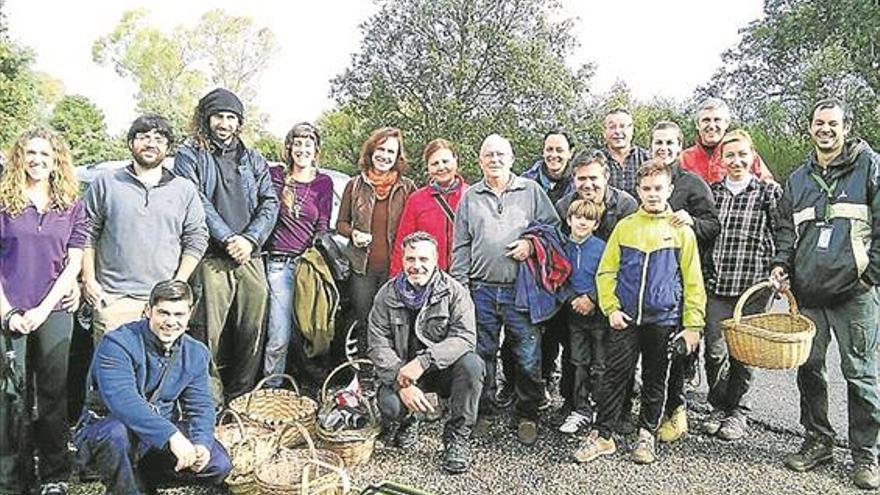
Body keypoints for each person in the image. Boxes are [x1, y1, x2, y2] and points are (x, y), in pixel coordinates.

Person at [771, 98, 880, 490]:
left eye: (833, 123)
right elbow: (786, 229)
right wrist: (781, 264)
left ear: (846, 127)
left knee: (861, 376)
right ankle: (817, 441)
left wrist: (871, 277)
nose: (826, 129)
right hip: (809, 293)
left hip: (855, 293)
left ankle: (866, 454)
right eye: (819, 123)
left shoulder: (870, 166)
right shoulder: (798, 179)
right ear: (810, 127)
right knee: (810, 369)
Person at [574, 158, 705, 465]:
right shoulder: (625, 227)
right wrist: (611, 308)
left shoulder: (681, 231)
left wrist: (693, 326)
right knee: (613, 376)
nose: (653, 194)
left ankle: (646, 433)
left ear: (669, 189)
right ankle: (603, 435)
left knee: (655, 378)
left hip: (664, 319)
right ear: (638, 190)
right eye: (646, 188)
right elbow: (606, 273)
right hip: (626, 319)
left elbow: (693, 281)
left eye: (659, 188)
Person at [450, 134, 559, 445]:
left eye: (500, 154)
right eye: (488, 155)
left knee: (527, 355)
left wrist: (529, 244)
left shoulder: (531, 191)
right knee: (481, 354)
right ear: (480, 161)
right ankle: (483, 411)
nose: (494, 159)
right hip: (481, 290)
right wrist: (461, 289)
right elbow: (461, 245)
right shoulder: (470, 197)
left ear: (511, 159)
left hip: (520, 289)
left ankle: (527, 414)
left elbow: (552, 230)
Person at [74, 280, 231, 495]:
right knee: (116, 434)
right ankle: (124, 486)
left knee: (218, 463)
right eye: (163, 313)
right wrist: (172, 436)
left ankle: (142, 476)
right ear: (148, 311)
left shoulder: (196, 352)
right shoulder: (116, 343)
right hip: (108, 430)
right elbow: (123, 401)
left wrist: (201, 442)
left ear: (190, 314)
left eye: (179, 315)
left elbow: (201, 406)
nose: (171, 322)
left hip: (154, 437)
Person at [173, 87, 279, 404]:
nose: (224, 123)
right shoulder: (189, 155)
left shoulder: (254, 158)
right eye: (218, 116)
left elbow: (269, 202)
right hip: (210, 255)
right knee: (208, 331)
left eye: (231, 117)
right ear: (206, 118)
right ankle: (210, 398)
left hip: (250, 254)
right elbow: (195, 199)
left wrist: (249, 238)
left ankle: (242, 395)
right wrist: (227, 237)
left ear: (239, 122)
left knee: (253, 328)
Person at [0, 128, 86, 495]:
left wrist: (44, 308)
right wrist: (8, 314)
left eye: (45, 154)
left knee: (52, 393)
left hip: (53, 311)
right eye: (31, 153)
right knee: (11, 395)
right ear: (20, 156)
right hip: (9, 309)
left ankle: (54, 474)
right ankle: (12, 478)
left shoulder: (70, 204)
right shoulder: (3, 202)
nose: (37, 160)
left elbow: (74, 261)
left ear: (57, 161)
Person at [82, 114, 208, 339]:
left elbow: (196, 238)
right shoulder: (107, 183)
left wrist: (178, 282)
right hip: (114, 301)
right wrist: (89, 281)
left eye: (159, 139)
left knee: (162, 372)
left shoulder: (185, 190)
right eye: (143, 137)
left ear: (169, 148)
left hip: (164, 305)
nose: (151, 143)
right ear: (131, 143)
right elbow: (86, 232)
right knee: (113, 372)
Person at [370, 232, 483, 474]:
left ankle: (456, 438)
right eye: (410, 259)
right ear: (402, 260)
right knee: (390, 405)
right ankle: (409, 420)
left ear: (436, 260)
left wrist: (424, 361)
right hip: (401, 373)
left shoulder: (454, 292)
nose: (416, 266)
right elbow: (377, 345)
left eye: (423, 259)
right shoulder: (385, 295)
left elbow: (465, 337)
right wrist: (403, 384)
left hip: (440, 370)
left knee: (473, 365)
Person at [702, 129, 782, 441]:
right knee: (715, 351)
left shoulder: (767, 192)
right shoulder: (713, 193)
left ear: (752, 157)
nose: (736, 161)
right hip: (718, 284)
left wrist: (779, 269)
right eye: (730, 155)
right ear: (721, 159)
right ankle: (718, 405)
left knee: (745, 354)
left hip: (754, 287)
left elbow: (782, 232)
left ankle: (738, 412)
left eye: (742, 155)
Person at [552, 150, 637, 430]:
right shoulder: (566, 206)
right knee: (575, 356)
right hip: (573, 300)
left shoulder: (625, 205)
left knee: (611, 358)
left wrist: (595, 298)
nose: (587, 185)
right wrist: (574, 297)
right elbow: (556, 255)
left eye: (593, 178)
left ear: (606, 177)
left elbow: (627, 261)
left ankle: (616, 408)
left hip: (613, 298)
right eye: (581, 179)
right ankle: (575, 404)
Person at [649, 120, 720, 443]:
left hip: (684, 278)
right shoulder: (647, 181)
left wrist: (692, 221)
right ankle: (653, 407)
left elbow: (713, 226)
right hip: (653, 282)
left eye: (669, 144)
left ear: (680, 148)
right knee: (654, 351)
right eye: (657, 143)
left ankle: (676, 411)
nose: (663, 149)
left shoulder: (693, 185)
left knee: (678, 350)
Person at [262, 122, 334, 387]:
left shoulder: (323, 183)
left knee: (310, 330)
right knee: (278, 335)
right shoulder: (275, 176)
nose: (303, 148)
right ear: (289, 146)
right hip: (278, 265)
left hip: (307, 265)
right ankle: (270, 392)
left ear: (316, 149)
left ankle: (306, 390)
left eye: (308, 143)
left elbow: (323, 225)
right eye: (298, 142)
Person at [336, 127, 416, 355]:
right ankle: (363, 374)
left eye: (391, 152)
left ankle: (391, 375)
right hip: (362, 269)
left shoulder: (407, 188)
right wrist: (353, 234)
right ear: (371, 152)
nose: (385, 156)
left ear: (397, 157)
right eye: (380, 149)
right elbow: (340, 223)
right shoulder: (354, 185)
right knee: (365, 323)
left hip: (395, 269)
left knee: (394, 324)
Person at [557, 199, 607, 435]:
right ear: (569, 220)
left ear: (596, 224)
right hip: (574, 315)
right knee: (578, 362)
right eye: (578, 217)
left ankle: (601, 408)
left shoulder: (602, 247)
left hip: (598, 316)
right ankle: (581, 408)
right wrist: (571, 299)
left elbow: (609, 275)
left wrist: (592, 299)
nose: (582, 222)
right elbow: (557, 277)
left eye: (589, 219)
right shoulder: (562, 247)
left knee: (600, 364)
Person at [390, 138, 467, 276]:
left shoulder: (471, 196)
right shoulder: (416, 200)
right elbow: (403, 241)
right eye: (435, 163)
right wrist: (396, 278)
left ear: (456, 160)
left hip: (465, 277)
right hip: (428, 277)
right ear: (428, 168)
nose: (441, 167)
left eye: (445, 161)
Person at [679, 97, 774, 184]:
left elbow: (768, 183)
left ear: (726, 124)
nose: (712, 126)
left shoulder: (743, 155)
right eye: (706, 120)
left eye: (717, 120)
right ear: (697, 125)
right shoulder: (683, 159)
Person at [601, 108, 650, 197]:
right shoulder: (596, 161)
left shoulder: (647, 159)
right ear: (604, 132)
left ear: (632, 130)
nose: (617, 131)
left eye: (622, 126)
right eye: (612, 127)